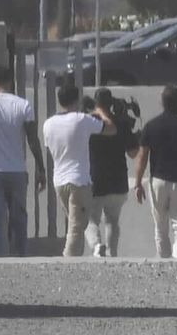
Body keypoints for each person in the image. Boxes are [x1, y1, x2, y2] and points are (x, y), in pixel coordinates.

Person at [0, 65, 47, 258]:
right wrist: (40, 168)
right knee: (18, 220)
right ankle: (19, 258)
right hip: (16, 171)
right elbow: (32, 139)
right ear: (10, 82)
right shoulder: (22, 105)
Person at [43, 81, 117, 257]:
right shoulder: (81, 119)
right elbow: (111, 130)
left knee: (76, 223)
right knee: (77, 228)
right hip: (79, 181)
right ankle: (69, 262)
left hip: (59, 181)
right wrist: (101, 113)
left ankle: (80, 255)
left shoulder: (49, 124)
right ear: (76, 100)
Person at [134, 85, 177, 259]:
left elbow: (142, 157)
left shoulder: (151, 126)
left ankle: (164, 260)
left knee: (160, 226)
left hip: (158, 180)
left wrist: (138, 183)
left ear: (162, 102)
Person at [86, 88, 139, 258]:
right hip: (118, 179)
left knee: (90, 219)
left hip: (94, 179)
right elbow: (132, 153)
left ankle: (96, 246)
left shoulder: (87, 122)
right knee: (112, 221)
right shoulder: (121, 123)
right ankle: (112, 252)